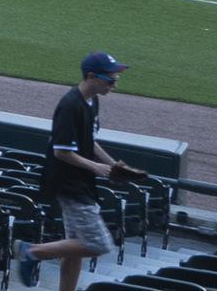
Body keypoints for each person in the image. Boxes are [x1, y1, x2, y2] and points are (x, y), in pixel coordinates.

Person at [18, 53, 144, 291]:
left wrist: (114, 165)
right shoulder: (70, 105)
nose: (114, 83)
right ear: (91, 76)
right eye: (110, 78)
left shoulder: (92, 100)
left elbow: (90, 141)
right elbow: (61, 152)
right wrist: (96, 167)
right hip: (70, 183)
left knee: (74, 247)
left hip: (79, 181)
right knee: (98, 244)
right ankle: (32, 251)